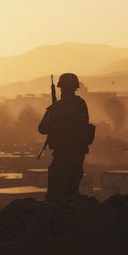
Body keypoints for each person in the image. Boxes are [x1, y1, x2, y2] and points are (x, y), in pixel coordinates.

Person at [38, 73, 91, 201]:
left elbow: (42, 129)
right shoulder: (81, 104)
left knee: (56, 194)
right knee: (72, 192)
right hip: (78, 155)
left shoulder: (58, 107)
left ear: (61, 89)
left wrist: (54, 119)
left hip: (63, 155)